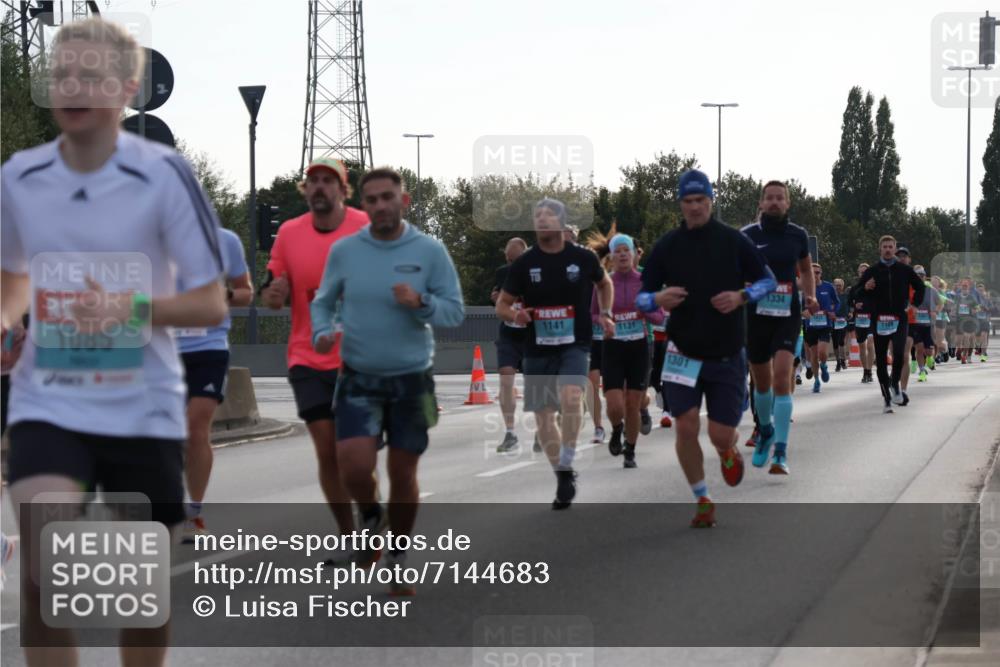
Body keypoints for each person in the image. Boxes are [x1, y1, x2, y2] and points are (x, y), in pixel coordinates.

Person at [1, 17, 226, 666]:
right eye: (63, 73)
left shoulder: (165, 177)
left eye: (92, 75)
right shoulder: (19, 177)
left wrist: (127, 307)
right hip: (48, 402)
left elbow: (211, 302)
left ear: (128, 86)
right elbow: (12, 277)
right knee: (42, 574)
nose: (74, 86)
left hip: (142, 405)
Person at [310, 167, 464, 593]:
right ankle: (371, 513)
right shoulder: (346, 251)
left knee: (403, 471)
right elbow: (323, 302)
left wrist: (421, 302)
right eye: (371, 199)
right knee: (354, 466)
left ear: (404, 201)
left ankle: (397, 556)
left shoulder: (429, 251)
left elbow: (454, 312)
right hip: (359, 375)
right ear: (363, 205)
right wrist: (322, 332)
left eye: (387, 198)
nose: (379, 206)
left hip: (411, 378)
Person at [638, 170, 775, 526]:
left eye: (701, 201)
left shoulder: (732, 241)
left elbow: (768, 279)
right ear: (681, 205)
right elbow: (641, 296)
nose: (695, 207)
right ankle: (702, 498)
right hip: (682, 352)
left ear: (711, 202)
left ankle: (729, 450)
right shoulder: (668, 245)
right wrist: (657, 297)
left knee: (718, 434)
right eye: (688, 201)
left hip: (726, 352)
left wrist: (741, 296)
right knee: (684, 427)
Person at [261, 157, 368, 565]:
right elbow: (274, 291)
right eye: (313, 181)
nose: (320, 187)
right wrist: (273, 296)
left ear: (344, 190)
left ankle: (371, 515)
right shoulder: (289, 233)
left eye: (329, 181)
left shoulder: (363, 226)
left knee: (354, 456)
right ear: (305, 191)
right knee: (327, 451)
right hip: (307, 355)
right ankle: (349, 535)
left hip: (359, 356)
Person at [497, 198, 614, 510]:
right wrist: (515, 315)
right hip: (536, 348)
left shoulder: (583, 258)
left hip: (575, 343)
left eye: (549, 214)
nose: (542, 219)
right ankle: (563, 473)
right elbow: (502, 304)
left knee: (572, 396)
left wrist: (605, 313)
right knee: (544, 415)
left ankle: (568, 455)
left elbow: (605, 285)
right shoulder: (524, 264)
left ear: (562, 223)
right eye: (537, 215)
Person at [176, 227, 253, 542]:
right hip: (158, 347)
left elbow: (246, 292)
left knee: (196, 428)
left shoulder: (226, 240)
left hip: (208, 346)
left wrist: (224, 295)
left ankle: (193, 514)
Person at [739, 181, 816, 473]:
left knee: (782, 377)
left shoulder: (798, 235)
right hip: (756, 315)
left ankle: (780, 453)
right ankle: (766, 430)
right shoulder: (746, 236)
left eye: (779, 198)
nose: (773, 202)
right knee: (761, 382)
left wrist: (809, 295)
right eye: (768, 198)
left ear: (787, 203)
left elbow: (806, 268)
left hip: (787, 314)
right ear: (761, 203)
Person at [591, 233, 665, 468]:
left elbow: (659, 315)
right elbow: (591, 312)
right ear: (611, 257)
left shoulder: (644, 281)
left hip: (639, 346)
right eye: (618, 251)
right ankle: (616, 428)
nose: (623, 254)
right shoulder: (603, 283)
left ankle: (630, 450)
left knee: (633, 403)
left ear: (633, 254)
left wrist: (646, 312)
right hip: (612, 346)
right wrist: (604, 321)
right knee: (614, 404)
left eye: (627, 250)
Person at [854, 236, 925, 412]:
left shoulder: (904, 270)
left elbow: (920, 286)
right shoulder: (872, 271)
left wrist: (915, 304)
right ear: (880, 249)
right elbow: (855, 293)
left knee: (900, 353)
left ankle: (895, 383)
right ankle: (886, 398)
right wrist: (866, 288)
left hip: (899, 318)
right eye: (884, 247)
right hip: (879, 320)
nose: (887, 249)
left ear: (894, 249)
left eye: (890, 246)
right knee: (881, 359)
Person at [492, 237, 528, 453]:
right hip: (508, 334)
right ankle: (510, 432)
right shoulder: (502, 273)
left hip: (531, 335)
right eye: (508, 258)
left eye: (515, 259)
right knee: (506, 379)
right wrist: (495, 298)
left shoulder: (535, 273)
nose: (511, 264)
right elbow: (497, 300)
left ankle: (544, 429)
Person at [803, 263, 839, 393]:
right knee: (813, 354)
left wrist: (834, 312)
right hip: (811, 326)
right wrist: (803, 312)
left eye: (817, 272)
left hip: (825, 325)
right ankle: (817, 381)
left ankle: (823, 366)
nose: (815, 275)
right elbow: (798, 306)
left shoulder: (828, 287)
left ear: (821, 273)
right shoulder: (804, 288)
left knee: (822, 353)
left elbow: (837, 302)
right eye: (812, 273)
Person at [906, 264, 938, 383]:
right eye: (917, 275)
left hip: (927, 324)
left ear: (925, 277)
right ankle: (922, 370)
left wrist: (935, 311)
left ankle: (930, 358)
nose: (920, 277)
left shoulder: (931, 290)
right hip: (914, 324)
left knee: (928, 351)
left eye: (922, 275)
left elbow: (940, 302)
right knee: (919, 348)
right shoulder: (908, 289)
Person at [848, 262, 876, 383]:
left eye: (866, 271)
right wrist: (855, 304)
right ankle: (865, 371)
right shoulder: (854, 288)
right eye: (862, 272)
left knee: (870, 344)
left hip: (872, 319)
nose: (864, 273)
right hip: (859, 319)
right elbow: (849, 302)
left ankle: (870, 370)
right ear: (858, 274)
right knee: (862, 346)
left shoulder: (875, 286)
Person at [831, 278, 850, 371]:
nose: (838, 287)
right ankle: (838, 361)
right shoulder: (831, 296)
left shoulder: (845, 296)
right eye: (836, 285)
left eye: (840, 285)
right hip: (833, 321)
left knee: (841, 341)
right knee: (835, 342)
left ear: (843, 286)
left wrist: (850, 313)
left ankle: (843, 360)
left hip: (843, 321)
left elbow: (850, 306)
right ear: (833, 286)